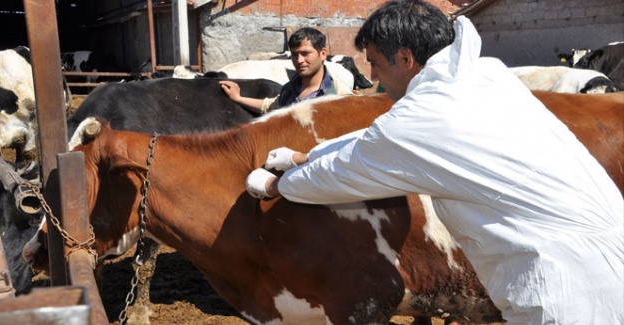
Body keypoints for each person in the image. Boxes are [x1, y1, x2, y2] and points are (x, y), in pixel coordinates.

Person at [244, 1, 624, 324]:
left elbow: (351, 168)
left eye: (376, 63)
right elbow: (380, 138)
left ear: (406, 59)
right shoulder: (481, 75)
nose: (372, 76)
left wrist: (280, 185)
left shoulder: (424, 118)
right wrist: (305, 155)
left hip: (566, 289)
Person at [219, 27, 353, 114]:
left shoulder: (339, 97)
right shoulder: (290, 89)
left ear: (323, 54)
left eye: (305, 53)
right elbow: (269, 106)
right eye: (295, 54)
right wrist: (238, 98)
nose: (299, 60)